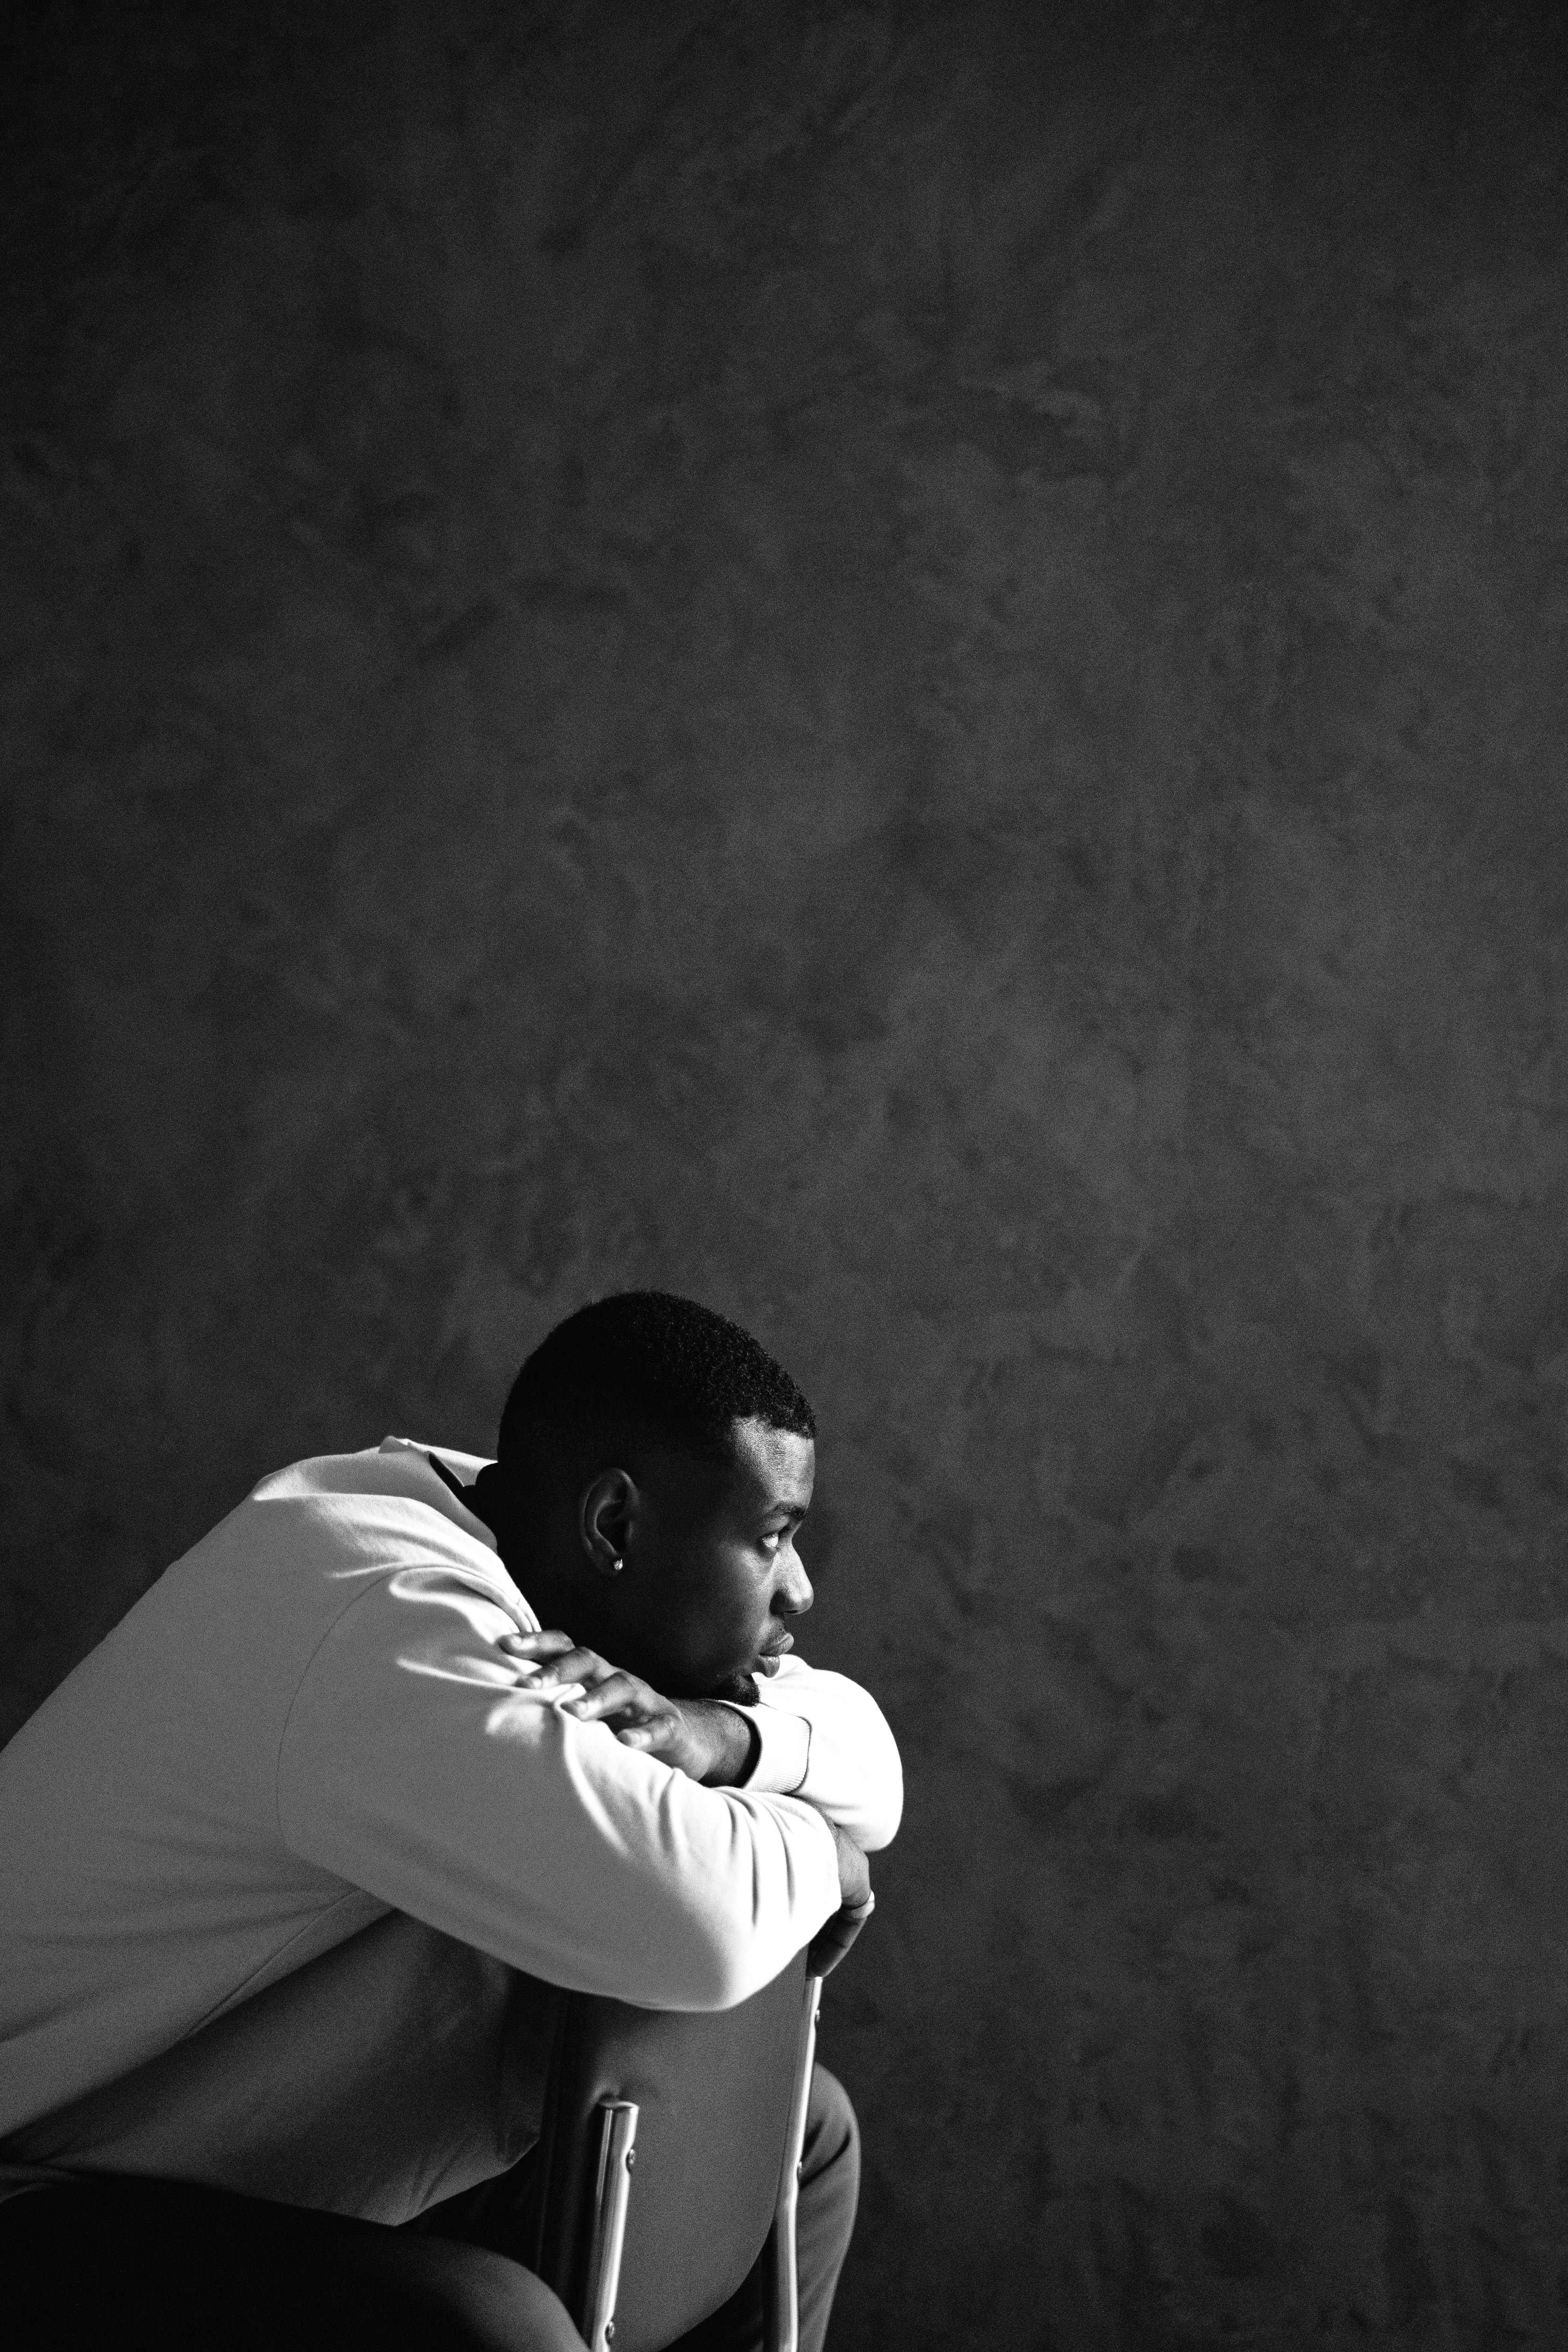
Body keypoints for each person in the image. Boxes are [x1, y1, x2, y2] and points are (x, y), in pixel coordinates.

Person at [0, 1290, 902, 2350]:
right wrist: (825, 1853)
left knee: (798, 2133)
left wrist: (727, 1738)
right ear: (615, 1524)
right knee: (489, 2327)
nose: (798, 1589)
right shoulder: (388, 1612)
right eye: (770, 1538)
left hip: (242, 2141)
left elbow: (867, 1753)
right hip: (44, 2185)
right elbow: (699, 1927)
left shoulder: (524, 1527)